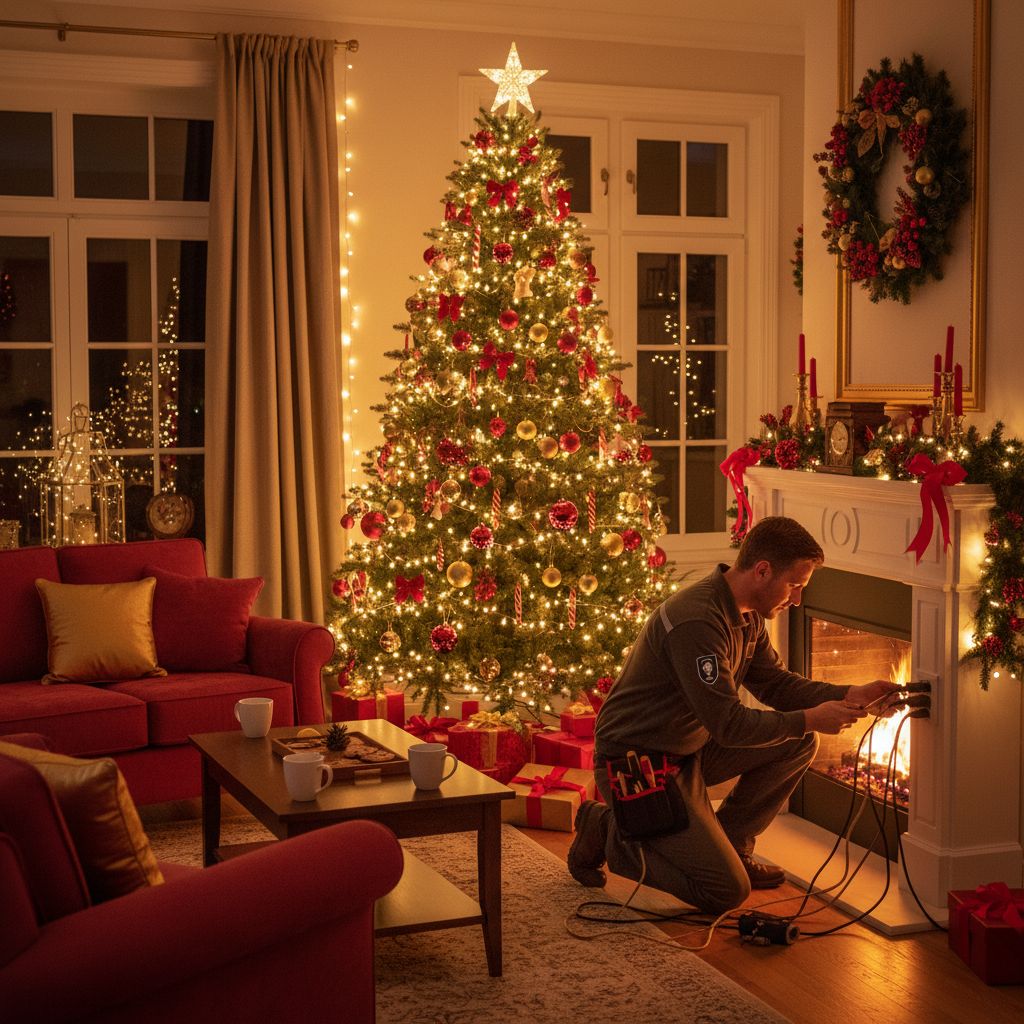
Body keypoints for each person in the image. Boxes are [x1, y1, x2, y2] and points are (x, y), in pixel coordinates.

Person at [568, 515, 901, 913]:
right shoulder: (697, 621)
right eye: (794, 585)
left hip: (689, 749)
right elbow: (729, 725)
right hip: (636, 762)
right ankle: (605, 830)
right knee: (724, 892)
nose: (797, 599)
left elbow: (776, 685)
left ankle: (732, 847)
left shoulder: (748, 615)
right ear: (762, 571)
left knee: (798, 741)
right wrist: (812, 717)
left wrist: (850, 693)